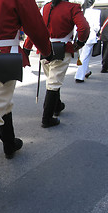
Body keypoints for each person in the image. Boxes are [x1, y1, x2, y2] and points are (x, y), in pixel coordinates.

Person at [0, 0, 53, 188]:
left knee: (1, 103)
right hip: (5, 56)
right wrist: (46, 50)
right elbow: (35, 25)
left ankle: (9, 143)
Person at [24, 0, 90, 128]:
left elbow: (33, 29)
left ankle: (57, 106)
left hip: (44, 49)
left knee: (52, 79)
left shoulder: (44, 7)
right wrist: (80, 43)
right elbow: (84, 27)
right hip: (62, 49)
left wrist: (27, 48)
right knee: (54, 82)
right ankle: (47, 118)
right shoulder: (72, 7)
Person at [75, 0, 100, 83]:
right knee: (84, 56)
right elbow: (96, 26)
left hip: (79, 35)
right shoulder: (95, 12)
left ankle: (86, 71)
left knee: (82, 55)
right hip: (90, 36)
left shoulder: (80, 11)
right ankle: (79, 75)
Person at [100, 8, 108, 73]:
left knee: (105, 51)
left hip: (105, 34)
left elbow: (100, 23)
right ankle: (105, 67)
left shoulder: (103, 12)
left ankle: (104, 66)